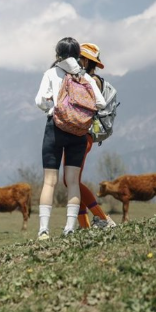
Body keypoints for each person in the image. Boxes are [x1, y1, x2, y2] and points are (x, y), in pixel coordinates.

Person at [34, 37, 106, 240]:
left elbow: (39, 100)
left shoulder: (51, 73)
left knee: (50, 181)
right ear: (78, 56)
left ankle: (44, 230)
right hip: (79, 132)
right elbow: (100, 103)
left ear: (57, 54)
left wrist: (54, 109)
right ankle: (70, 228)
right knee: (73, 181)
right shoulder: (85, 76)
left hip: (56, 129)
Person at [62, 43, 117, 229]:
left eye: (78, 59)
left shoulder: (89, 81)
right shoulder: (94, 80)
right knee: (71, 181)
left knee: (71, 181)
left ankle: (101, 218)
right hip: (83, 136)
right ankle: (85, 226)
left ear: (85, 60)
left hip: (80, 136)